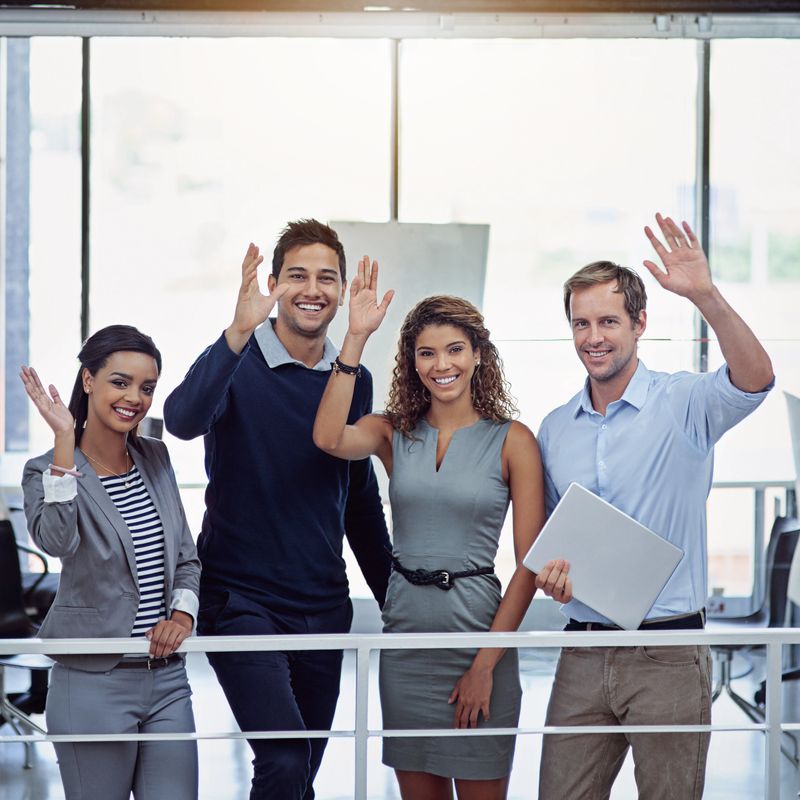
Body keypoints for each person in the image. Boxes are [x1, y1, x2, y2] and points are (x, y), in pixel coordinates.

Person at [534, 213, 774, 800]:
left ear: (640, 323)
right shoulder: (554, 429)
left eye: (609, 321)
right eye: (581, 323)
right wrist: (554, 579)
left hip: (668, 652)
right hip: (582, 650)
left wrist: (706, 296)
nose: (594, 336)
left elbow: (757, 378)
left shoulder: (684, 403)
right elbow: (550, 544)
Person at [163, 220, 391, 800]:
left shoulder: (351, 380)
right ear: (272, 283)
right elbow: (183, 421)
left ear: (342, 292)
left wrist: (397, 600)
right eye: (297, 276)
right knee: (285, 755)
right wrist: (236, 332)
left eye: (326, 278)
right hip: (240, 599)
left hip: (321, 603)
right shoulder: (235, 360)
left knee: (299, 769)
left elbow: (358, 498)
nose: (312, 290)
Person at [313, 260, 546, 800]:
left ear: (478, 355)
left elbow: (531, 564)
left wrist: (485, 666)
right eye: (426, 353)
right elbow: (327, 438)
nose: (442, 365)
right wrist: (353, 337)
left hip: (479, 639)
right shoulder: (393, 431)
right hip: (407, 643)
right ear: (411, 363)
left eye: (455, 350)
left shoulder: (514, 441)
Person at [20, 325, 201, 800]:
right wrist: (64, 442)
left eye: (146, 387)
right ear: (88, 381)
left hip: (166, 679)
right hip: (91, 682)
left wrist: (181, 616)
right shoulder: (44, 470)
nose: (134, 398)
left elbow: (186, 557)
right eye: (120, 382)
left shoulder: (156, 458)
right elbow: (56, 540)